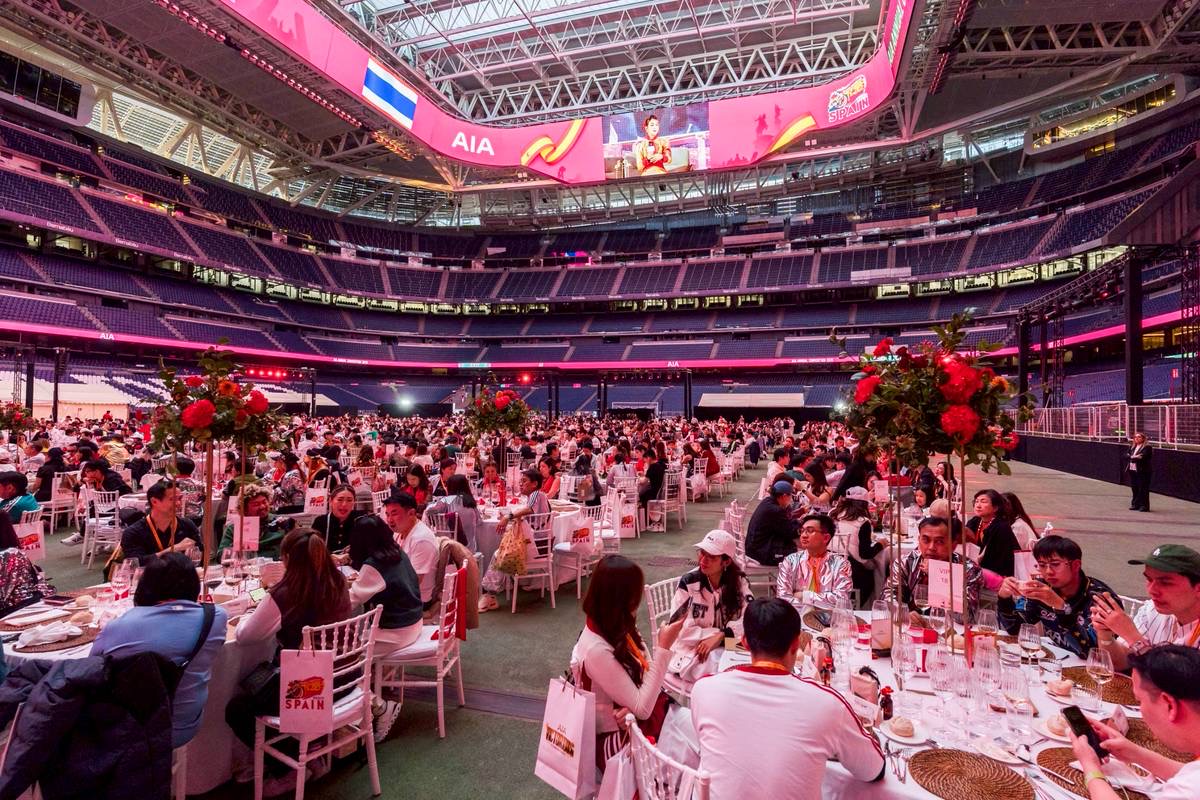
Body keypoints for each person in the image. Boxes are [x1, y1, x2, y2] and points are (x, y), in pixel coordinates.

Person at [689, 598, 885, 800]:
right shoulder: (828, 704)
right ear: (796, 643)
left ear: (744, 642)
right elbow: (873, 769)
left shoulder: (704, 690)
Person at [226, 529, 350, 792]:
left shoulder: (287, 592)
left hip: (310, 689)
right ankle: (309, 751)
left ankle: (289, 767)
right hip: (345, 679)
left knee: (238, 708)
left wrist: (248, 613)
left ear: (288, 559)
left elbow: (245, 635)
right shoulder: (337, 580)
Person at [90, 552, 226, 748]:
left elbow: (91, 669)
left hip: (128, 732)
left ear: (145, 586)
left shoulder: (118, 626)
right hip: (186, 724)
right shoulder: (216, 618)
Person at [570, 555, 683, 766]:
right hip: (615, 740)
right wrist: (664, 648)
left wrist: (634, 703)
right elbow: (642, 709)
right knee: (688, 755)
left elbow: (646, 671)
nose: (637, 602)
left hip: (635, 719)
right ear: (621, 599)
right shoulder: (596, 648)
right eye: (634, 595)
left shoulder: (614, 623)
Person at [1071, 645, 1200, 800]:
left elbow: (1190, 784)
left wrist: (1091, 768)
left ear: (1169, 705)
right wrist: (1134, 753)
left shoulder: (1189, 788)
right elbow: (1189, 772)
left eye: (1140, 701)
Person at [346, 515, 420, 742]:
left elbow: (350, 601)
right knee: (348, 656)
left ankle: (379, 706)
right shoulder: (397, 553)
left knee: (343, 665)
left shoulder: (374, 565)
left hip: (395, 630)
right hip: (412, 622)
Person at [997, 535, 1117, 657]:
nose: (1048, 571)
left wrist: (1061, 607)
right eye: (1042, 565)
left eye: (1055, 564)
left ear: (1076, 565)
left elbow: (1094, 653)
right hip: (1054, 658)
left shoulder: (1100, 598)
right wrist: (1004, 598)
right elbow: (1015, 629)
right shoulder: (1042, 588)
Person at [1092, 545, 1200, 671]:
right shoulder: (1151, 610)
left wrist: (1133, 638)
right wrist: (1105, 635)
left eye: (1165, 583)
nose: (1151, 590)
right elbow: (1119, 663)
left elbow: (1173, 680)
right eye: (1149, 580)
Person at [668, 530, 753, 684]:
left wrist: (722, 636)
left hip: (728, 642)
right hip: (694, 647)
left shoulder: (739, 581)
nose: (703, 560)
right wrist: (716, 636)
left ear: (726, 562)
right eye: (702, 552)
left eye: (712, 556)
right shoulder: (688, 583)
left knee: (758, 652)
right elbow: (680, 629)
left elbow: (751, 618)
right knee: (725, 675)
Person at [885, 517, 984, 615]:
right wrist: (904, 614)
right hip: (910, 622)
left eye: (939, 542)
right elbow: (889, 598)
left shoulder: (969, 570)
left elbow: (967, 615)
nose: (931, 547)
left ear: (953, 545)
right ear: (919, 540)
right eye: (926, 540)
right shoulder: (905, 563)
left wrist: (938, 575)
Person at [776, 514, 853, 615]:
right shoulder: (790, 561)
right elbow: (783, 598)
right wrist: (814, 606)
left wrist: (804, 596)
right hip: (796, 617)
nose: (803, 535)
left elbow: (842, 600)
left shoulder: (841, 564)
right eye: (802, 531)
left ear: (826, 538)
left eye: (810, 531)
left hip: (829, 620)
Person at [119, 480, 201, 564]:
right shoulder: (133, 533)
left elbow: (201, 556)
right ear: (154, 501)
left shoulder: (187, 526)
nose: (178, 503)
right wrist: (172, 550)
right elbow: (135, 563)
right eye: (172, 499)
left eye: (179, 498)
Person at [382, 491, 439, 607]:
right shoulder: (399, 532)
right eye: (387, 515)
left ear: (411, 513)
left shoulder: (422, 540)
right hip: (402, 592)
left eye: (394, 514)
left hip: (417, 600)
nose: (390, 520)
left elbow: (413, 582)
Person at [832, 487, 885, 606]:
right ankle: (854, 608)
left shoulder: (834, 514)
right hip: (849, 569)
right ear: (864, 504)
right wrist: (880, 545)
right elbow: (865, 554)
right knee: (870, 577)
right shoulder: (862, 522)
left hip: (829, 562)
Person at [217, 484, 294, 558]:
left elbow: (297, 546)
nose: (262, 506)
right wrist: (237, 547)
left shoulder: (280, 522)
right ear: (245, 509)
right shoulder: (235, 528)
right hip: (248, 564)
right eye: (256, 504)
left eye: (264, 502)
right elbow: (221, 555)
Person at [966, 489, 1020, 577]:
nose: (978, 505)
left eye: (983, 502)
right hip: (976, 569)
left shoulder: (1001, 527)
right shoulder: (974, 522)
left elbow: (1002, 560)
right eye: (976, 501)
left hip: (998, 574)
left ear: (995, 508)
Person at [745, 480, 798, 567]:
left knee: (789, 544)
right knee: (795, 553)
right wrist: (802, 523)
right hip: (760, 553)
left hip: (753, 548)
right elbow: (790, 532)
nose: (791, 499)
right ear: (784, 496)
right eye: (791, 496)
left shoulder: (767, 501)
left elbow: (783, 524)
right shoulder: (776, 510)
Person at [312, 484, 363, 553]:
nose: (344, 504)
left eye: (349, 500)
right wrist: (330, 557)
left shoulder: (360, 520)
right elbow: (313, 550)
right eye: (340, 500)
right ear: (331, 501)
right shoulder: (320, 522)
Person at [1127, 432, 1153, 512]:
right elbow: (1126, 455)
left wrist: (1133, 457)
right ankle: (1135, 504)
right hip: (1133, 470)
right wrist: (1133, 456)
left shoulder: (1147, 447)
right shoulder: (1132, 447)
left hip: (1143, 471)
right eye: (1135, 437)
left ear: (1143, 438)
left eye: (1139, 437)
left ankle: (1144, 506)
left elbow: (1143, 456)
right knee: (1135, 488)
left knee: (1143, 488)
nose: (1137, 438)